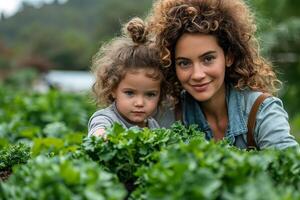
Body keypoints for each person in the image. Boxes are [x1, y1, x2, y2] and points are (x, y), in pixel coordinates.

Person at [145, 0, 299, 149]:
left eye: (208, 59)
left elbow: (289, 167)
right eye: (184, 63)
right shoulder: (168, 112)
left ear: (229, 57)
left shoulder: (261, 111)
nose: (197, 75)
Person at [88, 17, 169, 137]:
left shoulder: (153, 126)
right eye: (130, 93)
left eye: (150, 94)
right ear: (113, 89)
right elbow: (98, 134)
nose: (140, 103)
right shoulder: (106, 118)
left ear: (160, 95)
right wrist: (103, 136)